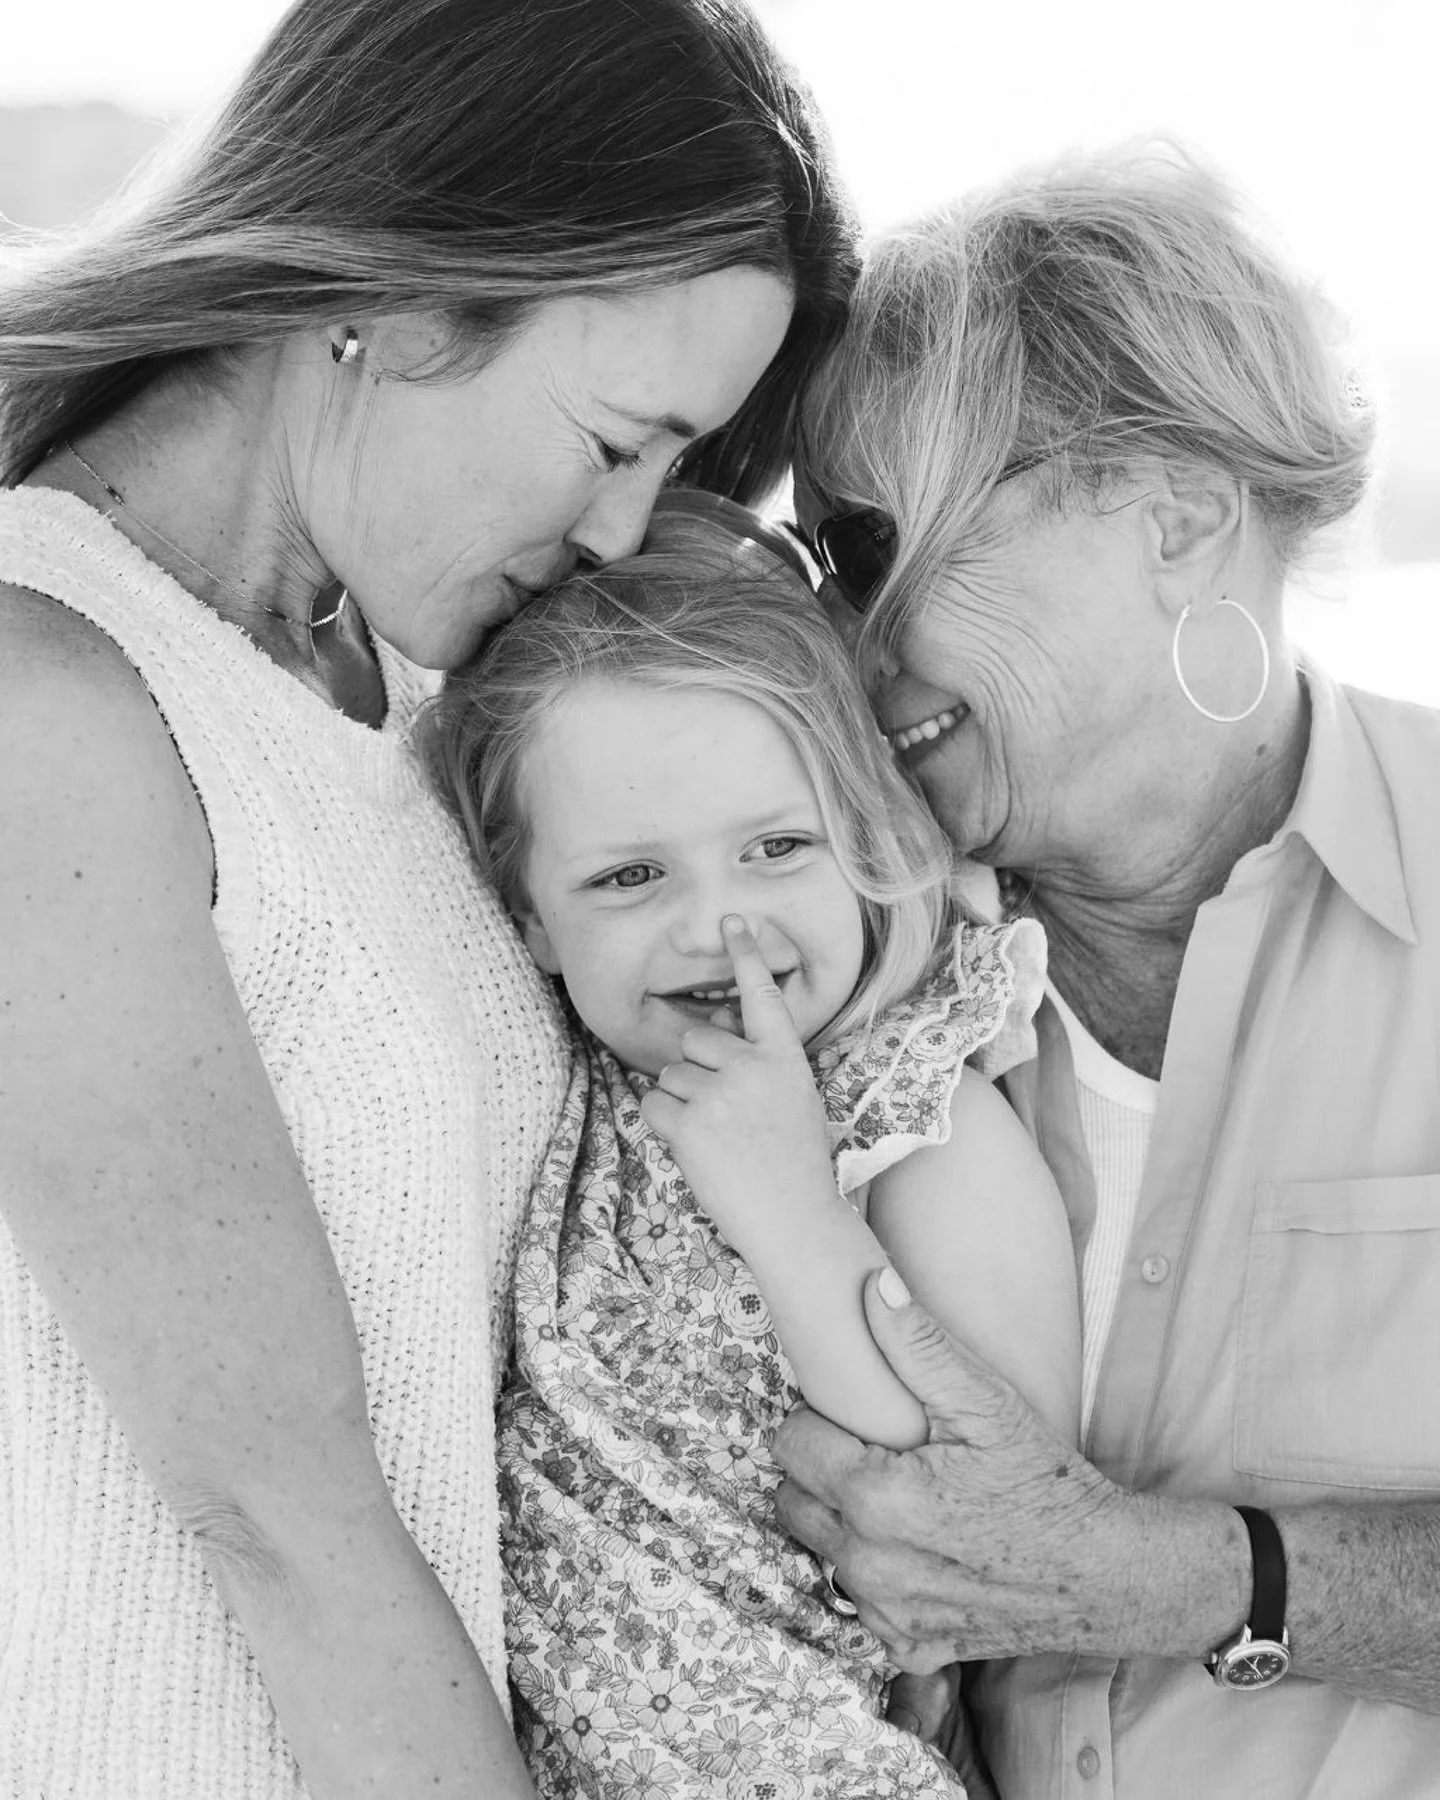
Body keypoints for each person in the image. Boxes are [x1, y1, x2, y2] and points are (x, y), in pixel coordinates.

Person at [0, 1, 857, 1793]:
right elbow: (281, 1519)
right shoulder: (45, 695)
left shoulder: (417, 702)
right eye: (616, 440)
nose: (623, 531)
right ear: (391, 295)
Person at [772, 142, 1440, 1798]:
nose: (845, 642)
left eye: (875, 546)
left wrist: (1173, 1578)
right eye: (814, 568)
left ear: (1177, 515)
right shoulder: (827, 960)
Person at [423, 502, 1080, 1799]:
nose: (719, 928)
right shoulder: (585, 1094)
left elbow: (1000, 1526)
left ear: (863, 843)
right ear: (529, 917)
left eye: (776, 850)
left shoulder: (914, 1122)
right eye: (629, 878)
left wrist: (790, 1206)